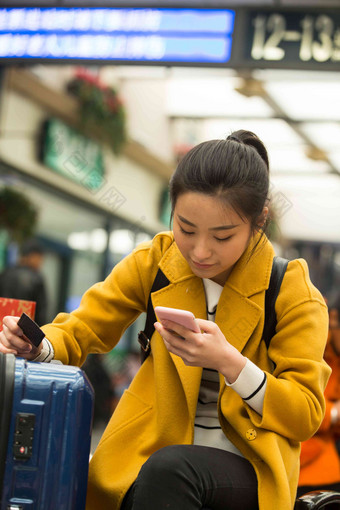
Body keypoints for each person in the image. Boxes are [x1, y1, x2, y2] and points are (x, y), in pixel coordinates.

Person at [0, 130, 331, 510]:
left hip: (248, 466)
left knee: (171, 470)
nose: (200, 251)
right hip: (151, 451)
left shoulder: (291, 290)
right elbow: (84, 327)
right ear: (170, 210)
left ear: (260, 221)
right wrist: (40, 345)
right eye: (186, 229)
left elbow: (305, 413)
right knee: (139, 476)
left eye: (223, 237)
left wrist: (230, 362)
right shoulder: (156, 261)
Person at [297, 295, 340, 497]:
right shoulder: (311, 342)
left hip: (323, 457)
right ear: (332, 319)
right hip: (299, 458)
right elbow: (296, 402)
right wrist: (333, 413)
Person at [0, 239, 47, 325]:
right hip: (24, 332)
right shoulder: (36, 279)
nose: (41, 263)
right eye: (40, 258)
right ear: (33, 256)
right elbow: (41, 314)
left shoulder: (5, 273)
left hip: (3, 328)